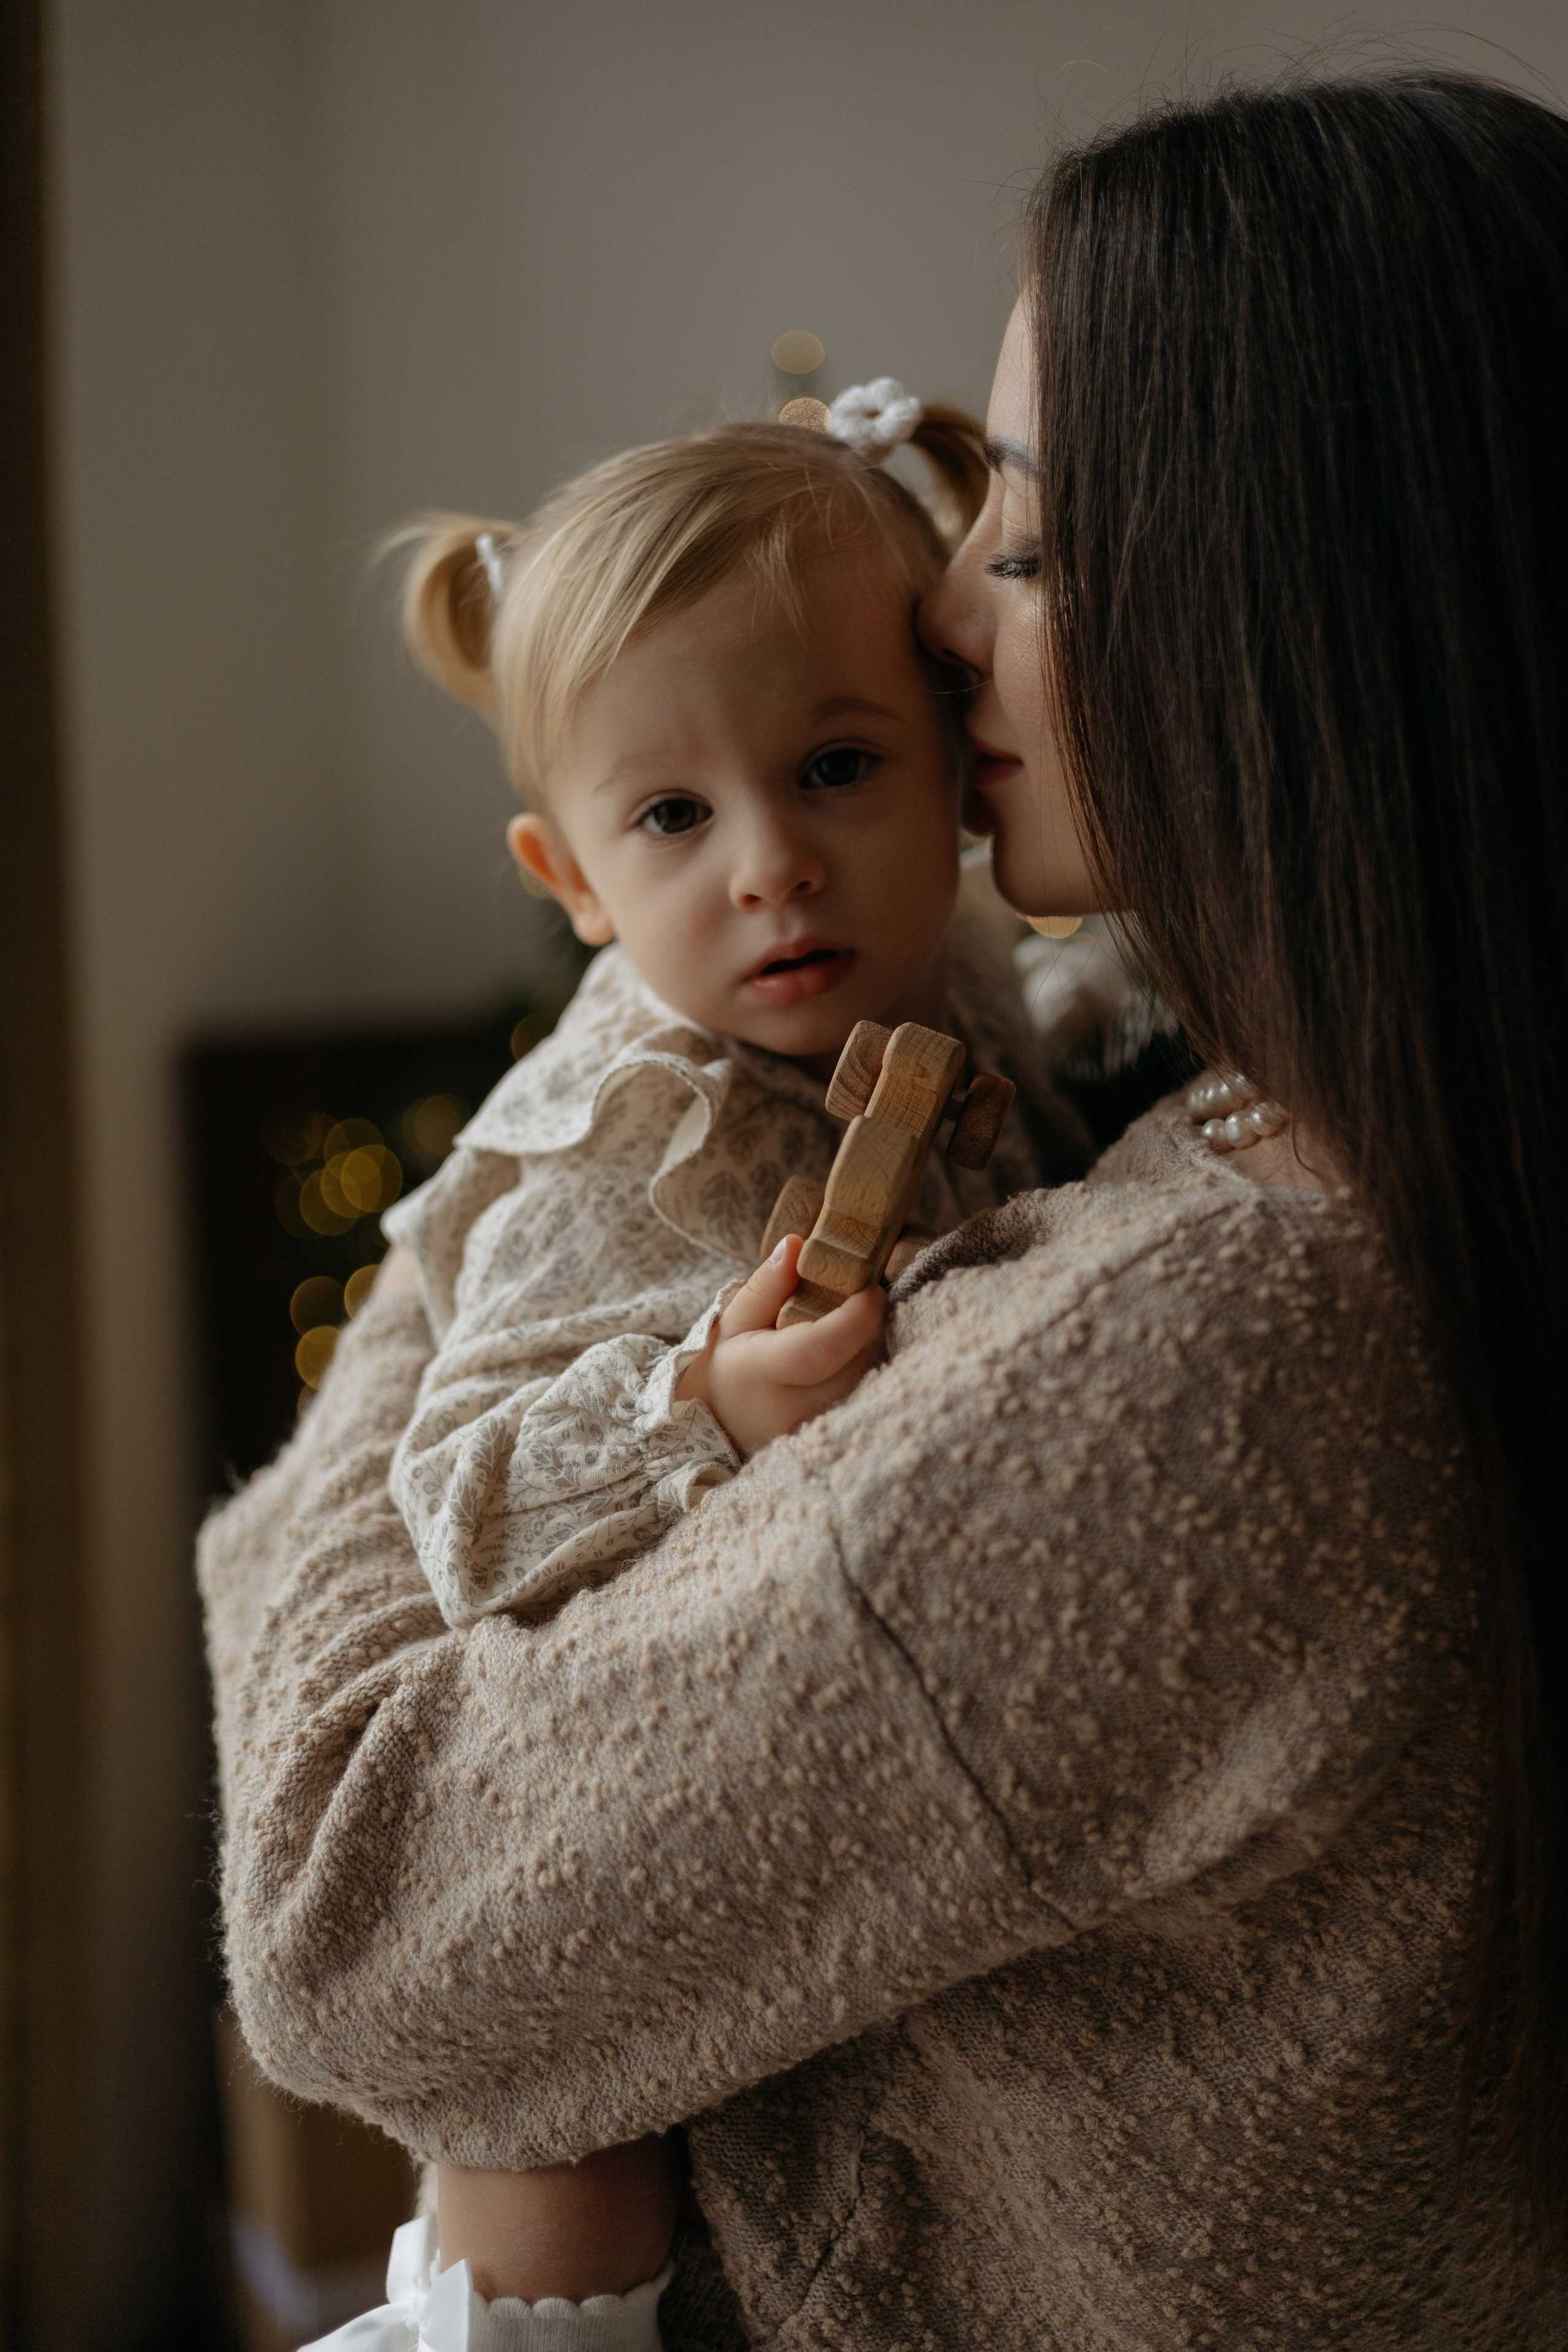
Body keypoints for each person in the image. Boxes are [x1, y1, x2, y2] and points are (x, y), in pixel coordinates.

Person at [200, 71, 1568, 2350]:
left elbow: (353, 1929)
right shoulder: (1346, 1112)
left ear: (1290, 607)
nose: (938, 606)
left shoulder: (1210, 1369)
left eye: (1025, 537)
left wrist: (441, 1256)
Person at [288, 393, 1091, 2350]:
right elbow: (461, 1505)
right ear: (569, 878)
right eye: (673, 819)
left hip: (815, 1762)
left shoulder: (952, 970)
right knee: (555, 2152)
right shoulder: (635, 1144)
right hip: (571, 1764)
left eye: (837, 768)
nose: (774, 867)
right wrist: (698, 1405)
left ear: (958, 765)